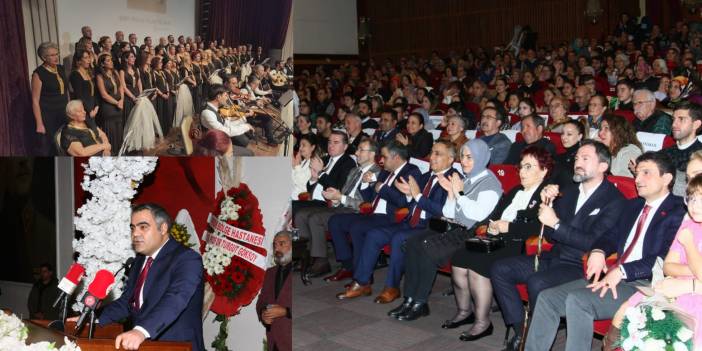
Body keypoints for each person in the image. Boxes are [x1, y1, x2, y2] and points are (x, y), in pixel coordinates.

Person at [524, 152, 686, 351]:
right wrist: (599, 251)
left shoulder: (678, 211)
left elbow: (663, 257)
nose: (637, 179)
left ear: (667, 178)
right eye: (637, 173)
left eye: (646, 173)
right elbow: (610, 236)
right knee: (547, 298)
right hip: (613, 274)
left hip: (645, 283)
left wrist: (622, 271)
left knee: (578, 301)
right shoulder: (633, 205)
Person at [493, 140, 626, 350]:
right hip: (553, 256)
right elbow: (550, 233)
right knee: (500, 269)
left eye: (585, 159)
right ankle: (522, 330)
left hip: (578, 265)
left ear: (603, 166)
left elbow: (593, 242)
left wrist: (555, 222)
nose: (577, 163)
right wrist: (547, 203)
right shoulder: (569, 192)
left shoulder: (614, 200)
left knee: (538, 282)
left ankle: (536, 336)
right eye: (576, 158)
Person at [443, 146, 550, 342]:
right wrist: (489, 226)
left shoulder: (545, 195)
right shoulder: (515, 190)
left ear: (543, 171)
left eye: (529, 167)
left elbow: (538, 229)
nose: (522, 172)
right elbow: (494, 215)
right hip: (495, 240)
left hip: (517, 246)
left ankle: (483, 322)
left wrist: (507, 228)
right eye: (521, 167)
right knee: (459, 259)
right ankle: (464, 311)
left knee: (478, 266)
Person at [389, 139, 502, 321]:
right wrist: (451, 193)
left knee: (426, 248)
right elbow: (449, 213)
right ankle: (409, 299)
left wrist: (458, 193)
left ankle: (420, 302)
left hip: (471, 233)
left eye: (469, 157)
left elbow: (477, 214)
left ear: (481, 158)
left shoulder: (490, 183)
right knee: (412, 243)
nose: (464, 161)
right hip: (454, 227)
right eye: (462, 156)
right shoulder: (466, 179)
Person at [336, 141, 460, 303]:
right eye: (432, 152)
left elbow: (443, 211)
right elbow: (407, 203)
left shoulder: (454, 180)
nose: (432, 157)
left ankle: (392, 287)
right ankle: (362, 282)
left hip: (431, 227)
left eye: (438, 154)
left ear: (451, 159)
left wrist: (416, 196)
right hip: (410, 221)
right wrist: (409, 195)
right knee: (374, 235)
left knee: (399, 238)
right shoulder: (424, 177)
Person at [601, 173, 702, 349]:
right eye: (691, 199)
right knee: (625, 310)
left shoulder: (687, 235)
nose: (694, 206)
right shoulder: (688, 226)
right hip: (675, 284)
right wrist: (693, 271)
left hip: (696, 296)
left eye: (701, 200)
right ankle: (609, 346)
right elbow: (669, 267)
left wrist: (689, 245)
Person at [90, 203, 205, 351]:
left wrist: (141, 331)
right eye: (132, 228)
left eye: (143, 227)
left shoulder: (187, 258)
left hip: (178, 346)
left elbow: (176, 298)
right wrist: (94, 320)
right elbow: (128, 302)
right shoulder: (139, 261)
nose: (135, 234)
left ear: (163, 228)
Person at [326, 141, 421, 283]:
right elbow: (367, 199)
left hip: (390, 217)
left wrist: (382, 188)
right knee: (335, 221)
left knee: (357, 227)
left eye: (384, 157)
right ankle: (348, 265)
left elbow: (403, 201)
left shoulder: (411, 171)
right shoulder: (385, 172)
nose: (381, 160)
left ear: (396, 157)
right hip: (372, 212)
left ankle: (362, 277)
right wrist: (366, 183)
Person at [294, 139, 381, 276]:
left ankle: (321, 260)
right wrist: (334, 198)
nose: (356, 153)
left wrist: (339, 198)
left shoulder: (377, 173)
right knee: (302, 214)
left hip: (357, 211)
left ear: (372, 154)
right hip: (341, 206)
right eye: (357, 149)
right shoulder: (354, 171)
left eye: (361, 150)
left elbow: (365, 203)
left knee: (315, 218)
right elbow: (343, 194)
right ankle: (308, 255)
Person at [256, 231, 292, 351]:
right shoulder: (270, 273)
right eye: (275, 245)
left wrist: (286, 312)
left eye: (282, 244)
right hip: (274, 340)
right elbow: (261, 301)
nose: (277, 248)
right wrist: (263, 313)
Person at [32, 42, 70, 155]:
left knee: (65, 144)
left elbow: (66, 91)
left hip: (63, 113)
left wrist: (69, 109)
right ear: (44, 57)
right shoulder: (39, 74)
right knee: (51, 146)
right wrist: (39, 123)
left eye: (57, 54)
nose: (56, 57)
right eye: (52, 55)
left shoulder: (61, 68)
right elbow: (35, 100)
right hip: (48, 116)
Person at [662, 101, 702, 196]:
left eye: (681, 119)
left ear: (696, 124)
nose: (674, 124)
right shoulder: (663, 153)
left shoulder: (700, 156)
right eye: (673, 119)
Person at [200, 84, 254, 152]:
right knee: (249, 152)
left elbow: (226, 124)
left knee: (244, 141)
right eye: (225, 95)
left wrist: (243, 120)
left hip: (219, 140)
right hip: (213, 147)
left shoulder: (215, 109)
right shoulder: (207, 113)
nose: (227, 98)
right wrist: (245, 127)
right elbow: (225, 131)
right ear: (218, 97)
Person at [95, 54, 124, 155]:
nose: (111, 62)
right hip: (108, 108)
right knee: (111, 133)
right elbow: (103, 95)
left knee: (120, 132)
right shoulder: (100, 76)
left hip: (119, 106)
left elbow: (121, 88)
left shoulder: (115, 72)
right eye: (108, 60)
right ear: (102, 64)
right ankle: (112, 155)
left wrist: (121, 100)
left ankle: (120, 154)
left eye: (111, 59)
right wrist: (116, 103)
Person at [69, 49, 99, 123]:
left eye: (89, 57)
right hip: (83, 109)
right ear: (79, 61)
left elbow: (94, 92)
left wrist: (96, 106)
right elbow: (79, 95)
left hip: (92, 107)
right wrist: (89, 110)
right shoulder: (75, 74)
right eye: (85, 58)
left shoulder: (89, 73)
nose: (89, 60)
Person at [291, 134, 321, 199]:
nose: (300, 148)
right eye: (300, 145)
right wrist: (294, 166)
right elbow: (293, 179)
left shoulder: (314, 163)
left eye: (303, 145)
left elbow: (303, 185)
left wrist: (296, 166)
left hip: (298, 198)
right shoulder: (304, 161)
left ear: (312, 147)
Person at [119, 51, 141, 120]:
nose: (134, 58)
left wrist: (141, 94)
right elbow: (123, 87)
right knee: (130, 119)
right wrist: (133, 97)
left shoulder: (136, 69)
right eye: (131, 57)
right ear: (126, 59)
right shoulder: (122, 71)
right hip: (129, 98)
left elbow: (139, 83)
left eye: (134, 57)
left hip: (138, 96)